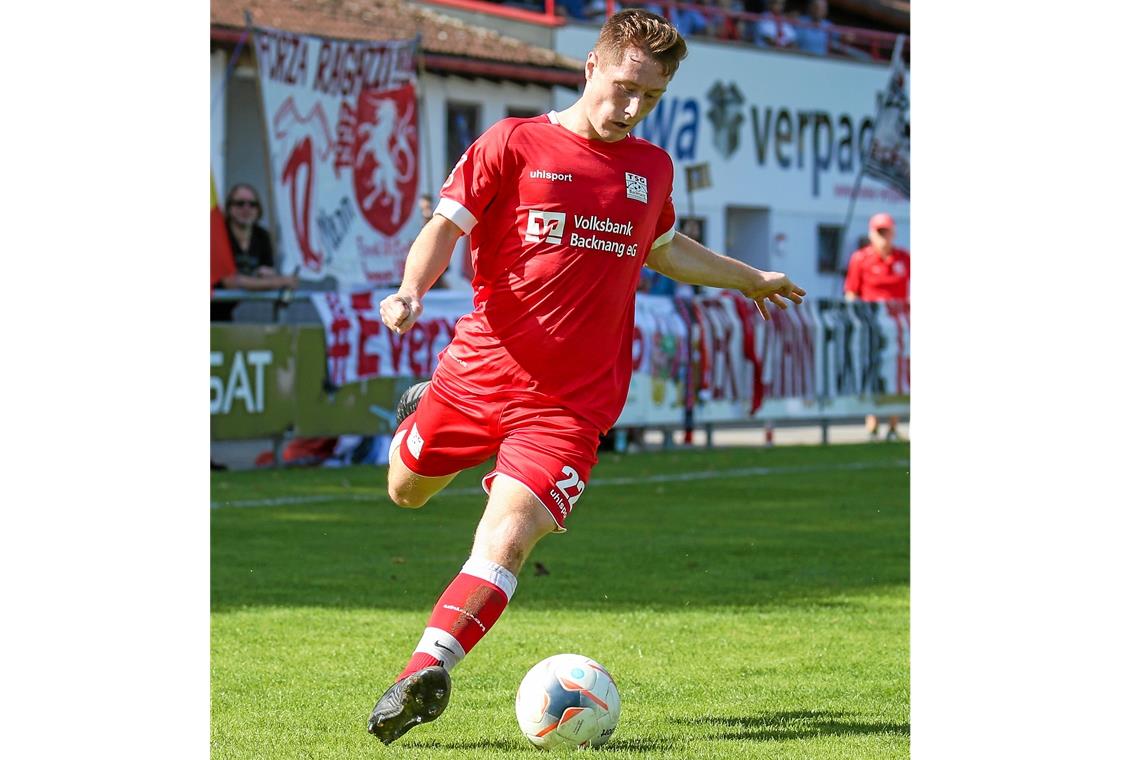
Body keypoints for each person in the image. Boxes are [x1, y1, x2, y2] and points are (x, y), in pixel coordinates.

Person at [365, 9, 807, 745]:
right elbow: (445, 227)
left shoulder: (651, 169)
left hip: (572, 404)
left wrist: (747, 278)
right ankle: (417, 417)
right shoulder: (513, 143)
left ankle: (425, 669)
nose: (632, 108)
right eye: (627, 86)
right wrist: (411, 289)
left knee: (507, 538)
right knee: (404, 492)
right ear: (593, 65)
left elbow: (664, 249)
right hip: (478, 372)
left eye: (652, 97)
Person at [843, 211, 909, 441]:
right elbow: (851, 291)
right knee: (871, 368)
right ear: (871, 234)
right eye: (879, 232)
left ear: (893, 233)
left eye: (887, 232)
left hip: (899, 324)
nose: (883, 237)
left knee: (896, 371)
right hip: (871, 324)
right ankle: (872, 421)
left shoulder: (904, 258)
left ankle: (893, 422)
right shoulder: (861, 259)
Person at [210, 183, 298, 322]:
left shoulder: (262, 236)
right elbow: (230, 282)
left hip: (226, 311)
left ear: (258, 209)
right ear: (229, 208)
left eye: (252, 204)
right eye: (240, 203)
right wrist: (280, 281)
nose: (246, 208)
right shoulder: (217, 235)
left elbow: (267, 274)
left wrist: (271, 276)